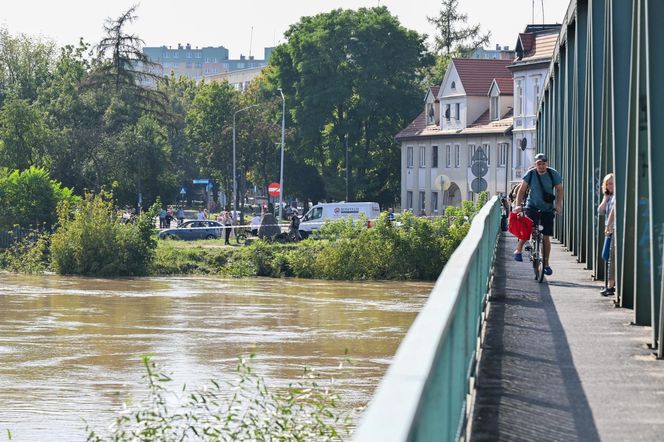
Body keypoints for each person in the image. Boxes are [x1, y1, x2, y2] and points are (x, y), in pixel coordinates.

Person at [512, 153, 564, 276]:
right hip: (532, 207)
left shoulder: (553, 174)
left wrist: (558, 205)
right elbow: (521, 190)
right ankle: (518, 250)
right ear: (535, 164)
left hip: (547, 209)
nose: (541, 166)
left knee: (546, 236)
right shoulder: (530, 174)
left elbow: (560, 189)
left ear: (547, 164)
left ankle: (546, 264)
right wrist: (518, 205)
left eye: (543, 164)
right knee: (528, 228)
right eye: (539, 164)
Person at [598, 173, 615, 296]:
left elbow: (613, 212)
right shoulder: (610, 197)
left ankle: (610, 286)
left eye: (611, 183)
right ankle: (610, 284)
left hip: (614, 230)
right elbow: (600, 210)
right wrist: (605, 198)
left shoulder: (617, 196)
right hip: (609, 231)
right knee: (606, 255)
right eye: (607, 184)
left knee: (611, 258)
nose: (609, 186)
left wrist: (608, 225)